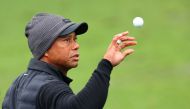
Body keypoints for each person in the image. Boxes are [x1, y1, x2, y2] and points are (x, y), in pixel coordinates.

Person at [2, 13, 137, 109]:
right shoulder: (49, 87)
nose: (76, 45)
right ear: (46, 50)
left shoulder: (17, 84)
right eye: (67, 40)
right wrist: (106, 64)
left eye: (75, 39)